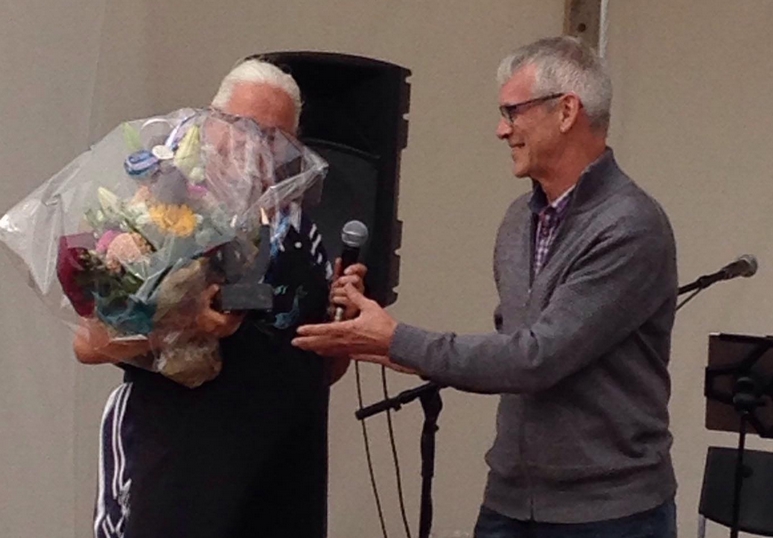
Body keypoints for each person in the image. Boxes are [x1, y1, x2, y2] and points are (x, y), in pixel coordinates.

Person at [292, 36, 678, 538]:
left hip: (608, 514)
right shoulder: (520, 219)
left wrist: (393, 339)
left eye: (512, 112)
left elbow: (537, 358)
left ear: (566, 111)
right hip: (511, 502)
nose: (501, 129)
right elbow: (509, 345)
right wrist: (374, 338)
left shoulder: (630, 225)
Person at [74, 58, 365, 538]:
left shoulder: (304, 232)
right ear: (209, 124)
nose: (259, 147)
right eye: (245, 127)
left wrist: (342, 331)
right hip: (180, 479)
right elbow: (90, 344)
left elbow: (316, 370)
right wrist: (186, 320)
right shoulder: (163, 214)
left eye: (278, 138)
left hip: (282, 484)